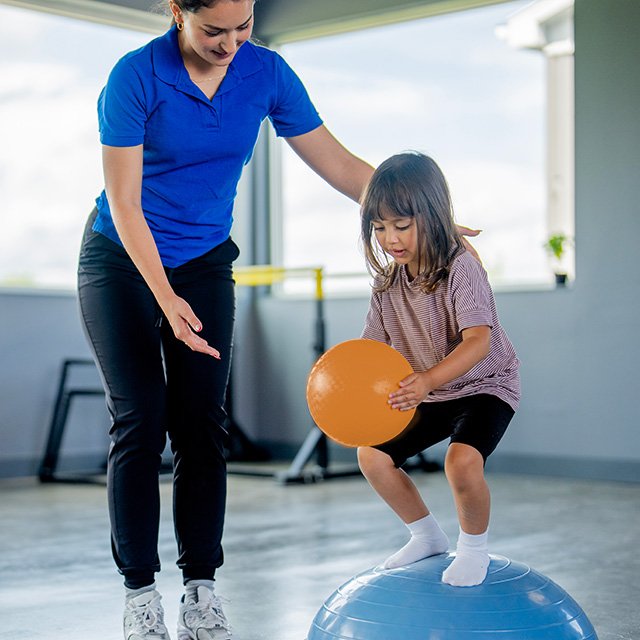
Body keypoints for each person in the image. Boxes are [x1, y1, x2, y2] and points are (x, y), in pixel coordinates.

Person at [77, 1, 375, 639]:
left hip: (205, 260)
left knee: (200, 424)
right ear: (176, 10)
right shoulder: (135, 76)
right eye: (215, 30)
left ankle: (201, 592)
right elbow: (126, 205)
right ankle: (139, 596)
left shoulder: (265, 73)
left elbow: (342, 166)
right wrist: (165, 298)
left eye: (245, 28)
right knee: (140, 419)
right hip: (122, 259)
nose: (232, 43)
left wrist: (422, 212)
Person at [357, 151, 521, 588]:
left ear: (431, 216)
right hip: (430, 392)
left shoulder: (461, 268)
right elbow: (373, 348)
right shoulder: (387, 284)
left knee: (462, 462)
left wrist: (427, 379)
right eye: (379, 228)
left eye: (401, 225)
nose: (390, 238)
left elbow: (479, 341)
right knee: (371, 456)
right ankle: (426, 536)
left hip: (485, 384)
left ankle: (474, 549)